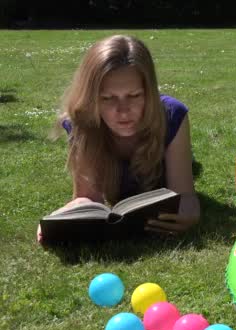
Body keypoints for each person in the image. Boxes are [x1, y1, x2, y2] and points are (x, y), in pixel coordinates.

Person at [37, 35, 200, 242]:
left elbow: (185, 195)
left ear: (149, 92)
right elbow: (86, 198)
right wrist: (60, 218)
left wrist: (189, 213)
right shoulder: (83, 122)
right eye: (108, 98)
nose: (123, 112)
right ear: (91, 98)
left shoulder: (171, 116)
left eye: (134, 96)